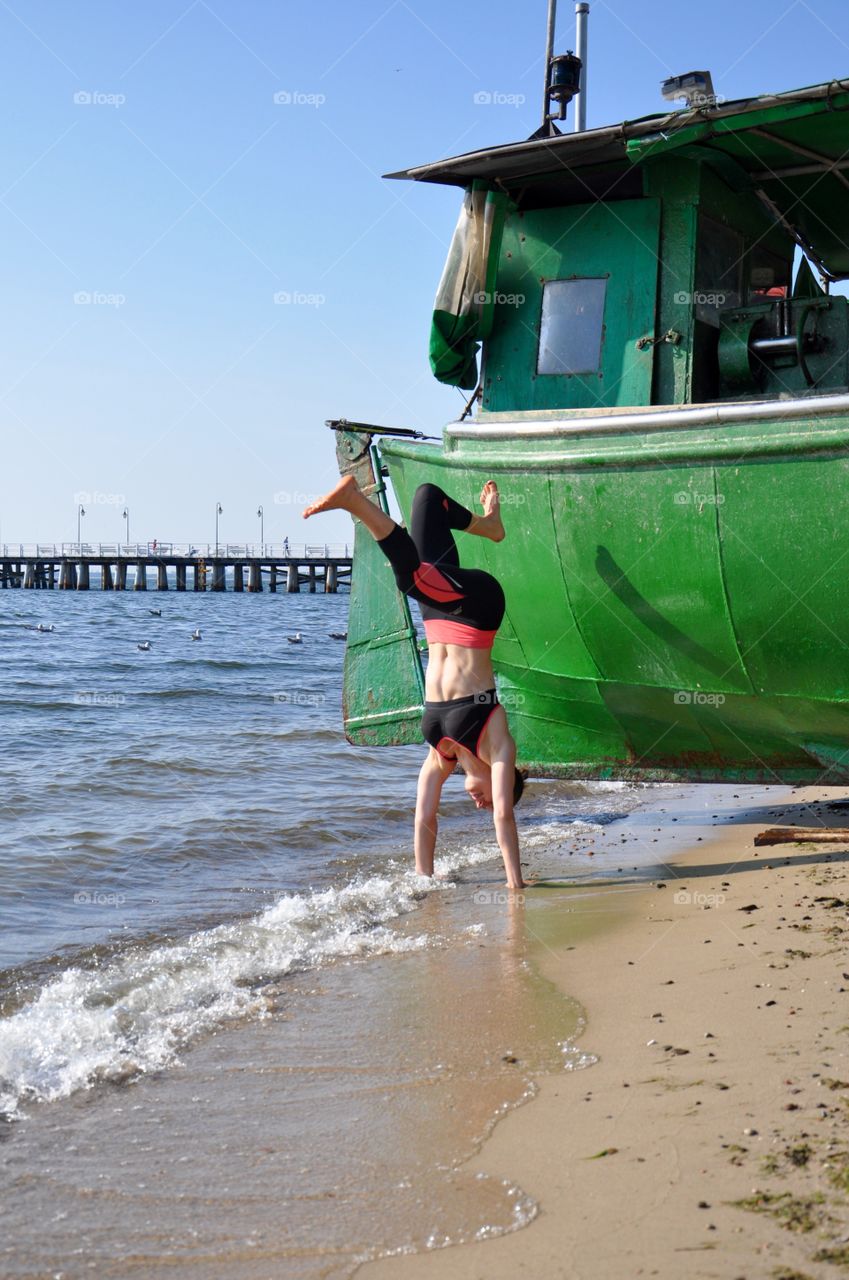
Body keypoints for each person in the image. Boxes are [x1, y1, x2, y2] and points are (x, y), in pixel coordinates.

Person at [304, 475, 525, 889]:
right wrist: (516, 885)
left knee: (427, 498)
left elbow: (424, 815)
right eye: (492, 797)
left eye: (484, 802)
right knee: (412, 578)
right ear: (505, 782)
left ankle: (490, 526)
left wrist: (423, 881)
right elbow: (504, 817)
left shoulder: (442, 754)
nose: (481, 804)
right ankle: (355, 501)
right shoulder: (497, 743)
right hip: (479, 607)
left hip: (441, 615)